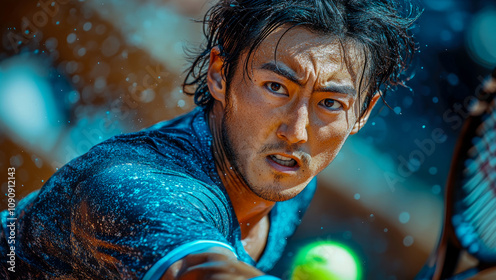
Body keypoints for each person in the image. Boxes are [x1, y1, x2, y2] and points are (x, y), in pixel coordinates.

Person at [1, 0, 418, 279]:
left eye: (330, 103)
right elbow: (205, 271)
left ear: (362, 113)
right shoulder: (133, 186)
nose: (295, 131)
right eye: (275, 87)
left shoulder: (285, 173)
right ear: (219, 73)